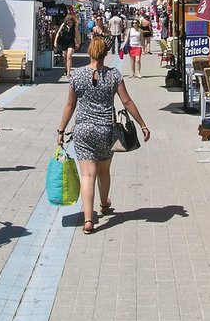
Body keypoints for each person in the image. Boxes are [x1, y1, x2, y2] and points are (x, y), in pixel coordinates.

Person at [56, 37, 150, 234]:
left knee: (87, 175)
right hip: (105, 129)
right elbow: (126, 101)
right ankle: (105, 204)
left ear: (90, 52)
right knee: (103, 171)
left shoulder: (77, 75)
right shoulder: (114, 75)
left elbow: (70, 105)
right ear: (106, 54)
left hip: (83, 130)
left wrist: (61, 131)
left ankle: (89, 220)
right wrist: (142, 124)